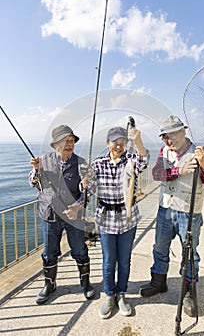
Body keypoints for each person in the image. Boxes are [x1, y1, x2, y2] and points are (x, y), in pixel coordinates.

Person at [139, 115, 204, 317]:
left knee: (190, 253)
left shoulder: (202, 153)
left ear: (184, 131)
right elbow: (157, 174)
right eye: (165, 136)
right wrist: (178, 170)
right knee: (159, 247)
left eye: (173, 134)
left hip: (189, 213)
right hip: (165, 210)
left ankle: (188, 292)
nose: (169, 140)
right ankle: (158, 281)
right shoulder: (164, 152)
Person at [85, 125, 150, 319]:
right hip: (106, 219)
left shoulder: (130, 161)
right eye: (115, 142)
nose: (119, 146)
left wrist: (137, 141)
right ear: (107, 143)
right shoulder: (97, 164)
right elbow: (90, 188)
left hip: (128, 218)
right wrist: (86, 182)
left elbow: (144, 161)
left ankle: (121, 294)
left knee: (124, 261)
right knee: (108, 262)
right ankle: (109, 295)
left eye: (122, 142)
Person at [29, 125, 95, 305]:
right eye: (65, 141)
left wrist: (77, 205)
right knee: (49, 253)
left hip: (74, 217)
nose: (69, 144)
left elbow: (90, 189)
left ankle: (85, 283)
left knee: (80, 250)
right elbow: (33, 182)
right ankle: (49, 285)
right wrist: (36, 170)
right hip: (49, 215)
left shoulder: (82, 163)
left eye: (72, 140)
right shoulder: (42, 160)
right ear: (55, 144)